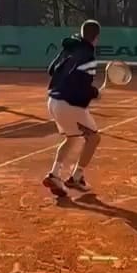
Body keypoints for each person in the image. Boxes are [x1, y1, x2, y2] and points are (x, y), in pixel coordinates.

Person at [43, 19, 104, 196]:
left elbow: (51, 70)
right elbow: (81, 84)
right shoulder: (89, 56)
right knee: (93, 138)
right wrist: (95, 93)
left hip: (53, 102)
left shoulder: (70, 48)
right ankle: (77, 177)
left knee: (71, 138)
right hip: (69, 105)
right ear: (96, 37)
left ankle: (54, 174)